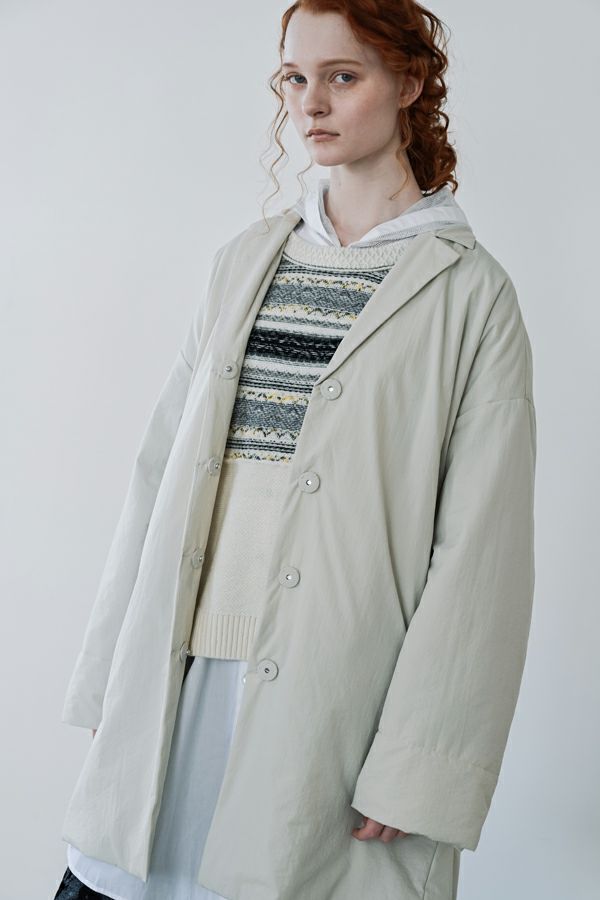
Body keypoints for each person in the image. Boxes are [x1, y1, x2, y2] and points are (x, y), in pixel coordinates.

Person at [54, 2, 536, 899]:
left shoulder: (471, 295)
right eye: (294, 77)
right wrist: (114, 679)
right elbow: (158, 477)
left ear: (410, 83)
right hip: (184, 675)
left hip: (336, 697)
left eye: (343, 76)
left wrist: (422, 760)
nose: (310, 102)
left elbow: (483, 551)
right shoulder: (245, 261)